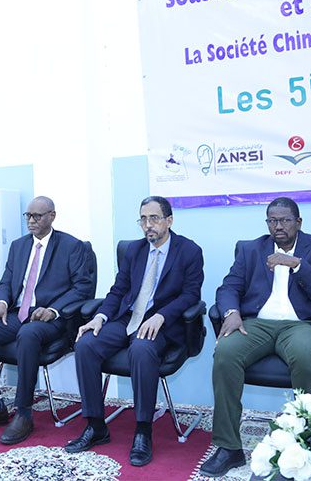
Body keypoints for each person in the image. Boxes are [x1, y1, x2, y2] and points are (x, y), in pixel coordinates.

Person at [200, 197, 311, 477]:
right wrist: (231, 312)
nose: (278, 226)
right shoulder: (250, 249)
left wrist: (298, 265)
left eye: (285, 220)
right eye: (272, 221)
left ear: (298, 222)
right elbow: (229, 287)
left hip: (302, 325)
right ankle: (228, 447)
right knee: (225, 352)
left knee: (306, 357)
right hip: (256, 324)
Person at [65, 195, 204, 467]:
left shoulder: (189, 251)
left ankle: (143, 431)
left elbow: (191, 295)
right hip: (127, 317)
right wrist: (100, 317)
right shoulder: (134, 250)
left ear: (169, 220)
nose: (148, 225)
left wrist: (162, 316)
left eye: (154, 218)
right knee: (86, 344)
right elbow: (118, 290)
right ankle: (95, 425)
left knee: (141, 349)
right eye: (143, 219)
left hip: (162, 323)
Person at [0, 196, 94, 445]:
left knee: (28, 334)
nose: (31, 221)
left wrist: (53, 309)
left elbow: (82, 288)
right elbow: (5, 282)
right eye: (28, 216)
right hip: (18, 313)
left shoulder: (71, 246)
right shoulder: (19, 246)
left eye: (37, 216)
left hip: (50, 317)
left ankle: (23, 412)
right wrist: (1, 302)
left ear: (52, 216)